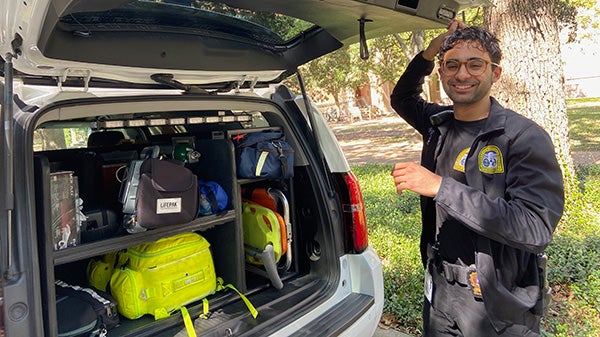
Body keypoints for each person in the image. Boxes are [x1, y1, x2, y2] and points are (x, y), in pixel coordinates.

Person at [389, 21, 564, 336]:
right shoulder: (436, 124)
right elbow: (402, 97)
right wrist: (432, 50)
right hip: (441, 292)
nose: (462, 74)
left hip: (498, 306)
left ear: (495, 73)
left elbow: (535, 226)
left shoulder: (522, 136)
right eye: (452, 65)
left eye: (475, 64)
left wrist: (440, 187)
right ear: (441, 73)